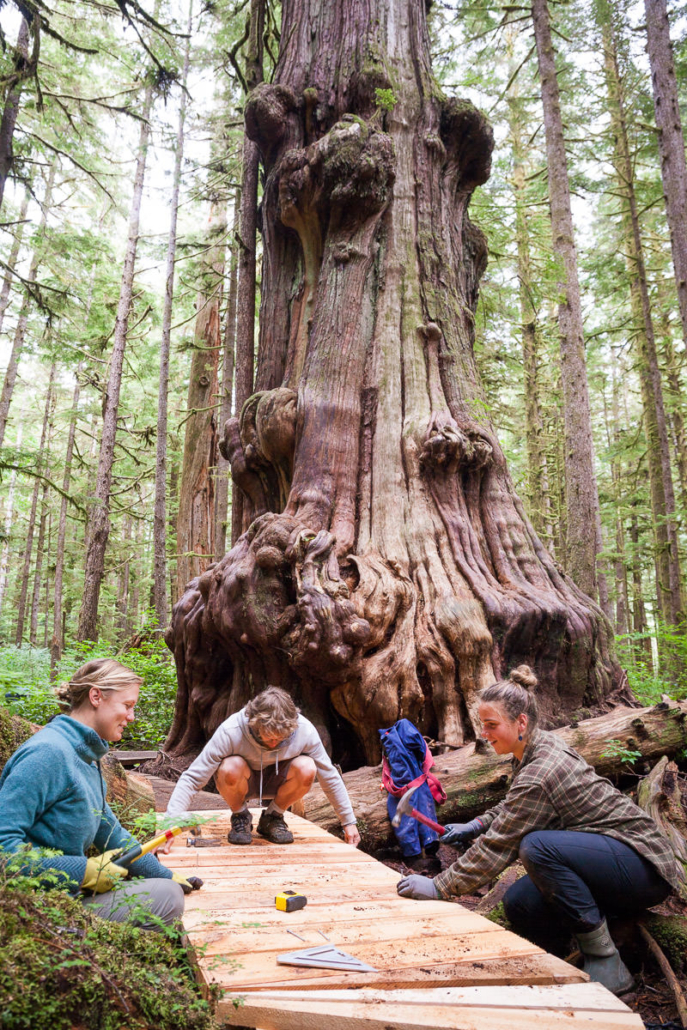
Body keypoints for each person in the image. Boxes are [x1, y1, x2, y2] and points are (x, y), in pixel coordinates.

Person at [396, 665, 683, 995]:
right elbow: (516, 806)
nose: (485, 734)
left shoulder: (541, 768)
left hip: (644, 868)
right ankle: (570, 956)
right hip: (610, 861)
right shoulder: (532, 750)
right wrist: (474, 825)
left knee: (536, 846)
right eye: (482, 725)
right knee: (520, 904)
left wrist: (439, 887)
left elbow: (499, 845)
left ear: (521, 722)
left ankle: (607, 962)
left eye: (492, 725)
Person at [0, 659, 198, 930]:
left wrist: (167, 875)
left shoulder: (87, 755)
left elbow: (109, 830)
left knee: (167, 888)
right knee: (167, 899)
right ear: (96, 696)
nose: (132, 717)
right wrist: (83, 872)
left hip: (65, 896)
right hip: (34, 909)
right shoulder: (48, 754)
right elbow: (3, 850)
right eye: (127, 706)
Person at [165, 686, 361, 847]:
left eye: (280, 738)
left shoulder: (305, 731)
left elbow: (330, 776)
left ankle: (273, 817)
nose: (274, 743)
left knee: (307, 767)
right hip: (243, 781)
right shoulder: (231, 730)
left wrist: (349, 822)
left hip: (280, 782)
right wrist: (170, 826)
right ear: (254, 723)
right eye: (269, 736)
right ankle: (241, 816)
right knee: (230, 766)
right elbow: (192, 779)